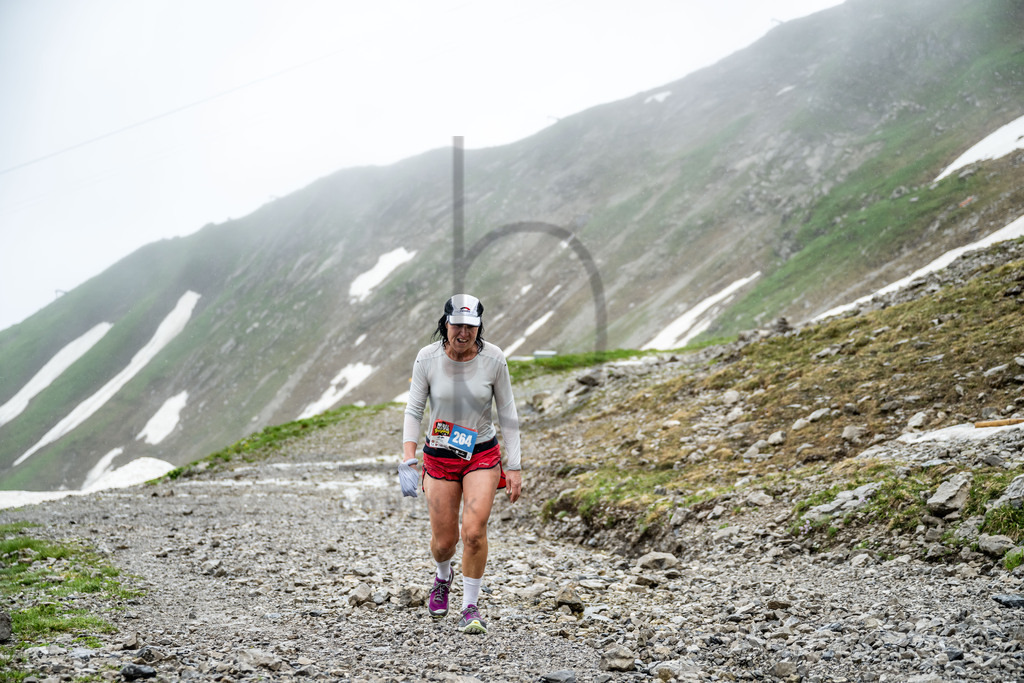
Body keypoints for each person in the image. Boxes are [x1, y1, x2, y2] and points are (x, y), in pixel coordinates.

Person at [398, 293, 522, 635]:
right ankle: (443, 577)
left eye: (471, 326)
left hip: (481, 455)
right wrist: (409, 458)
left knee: (474, 533)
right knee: (444, 543)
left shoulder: (494, 359)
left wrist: (514, 466)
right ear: (445, 323)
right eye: (457, 325)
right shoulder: (427, 358)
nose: (463, 333)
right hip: (439, 456)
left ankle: (470, 606)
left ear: (479, 327)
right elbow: (414, 410)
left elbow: (507, 413)